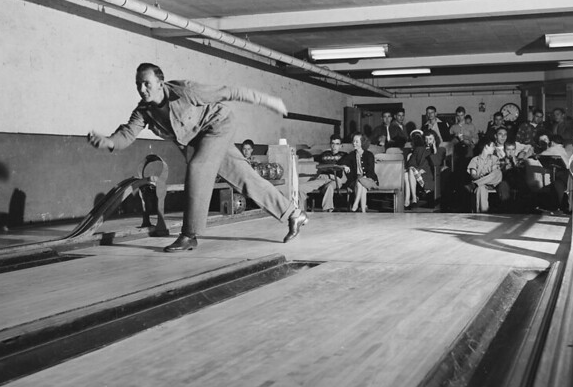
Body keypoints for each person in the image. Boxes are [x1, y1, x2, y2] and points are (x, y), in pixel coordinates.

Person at [87, 62, 308, 252]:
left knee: (198, 168)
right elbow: (127, 133)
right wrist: (109, 141)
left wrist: (268, 101)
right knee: (245, 178)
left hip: (219, 125)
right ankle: (293, 214)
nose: (142, 89)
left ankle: (189, 235)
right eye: (138, 84)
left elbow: (229, 91)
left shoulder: (186, 91)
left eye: (147, 83)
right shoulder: (143, 111)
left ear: (160, 83)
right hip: (199, 141)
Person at [297, 134, 347, 212]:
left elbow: (349, 163)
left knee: (329, 187)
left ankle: (327, 211)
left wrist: (345, 167)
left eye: (337, 144)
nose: (334, 146)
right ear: (330, 144)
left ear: (341, 146)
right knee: (300, 188)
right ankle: (301, 212)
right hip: (322, 177)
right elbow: (311, 159)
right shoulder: (324, 154)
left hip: (335, 179)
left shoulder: (344, 155)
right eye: (332, 143)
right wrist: (296, 159)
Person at [404, 129, 446, 209]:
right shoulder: (419, 149)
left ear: (434, 139)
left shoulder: (440, 150)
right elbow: (411, 163)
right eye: (426, 139)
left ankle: (412, 199)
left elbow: (437, 164)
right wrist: (419, 169)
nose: (428, 141)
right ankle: (412, 199)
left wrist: (434, 151)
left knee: (409, 172)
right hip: (416, 174)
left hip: (430, 175)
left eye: (430, 139)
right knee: (408, 172)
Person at [337, 132, 378, 212]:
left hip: (369, 179)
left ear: (362, 142)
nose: (354, 143)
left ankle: (355, 204)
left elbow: (371, 171)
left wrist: (363, 179)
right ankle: (363, 210)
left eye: (356, 141)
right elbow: (340, 162)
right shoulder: (351, 155)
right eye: (353, 141)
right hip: (355, 181)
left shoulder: (369, 155)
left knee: (361, 182)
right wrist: (345, 166)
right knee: (361, 185)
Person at [467, 139, 502, 213]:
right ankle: (482, 215)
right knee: (481, 189)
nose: (494, 148)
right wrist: (479, 177)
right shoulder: (475, 160)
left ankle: (475, 184)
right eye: (493, 146)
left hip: (493, 183)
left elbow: (494, 171)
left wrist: (484, 177)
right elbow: (473, 175)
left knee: (498, 173)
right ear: (486, 146)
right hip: (482, 185)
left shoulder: (494, 158)